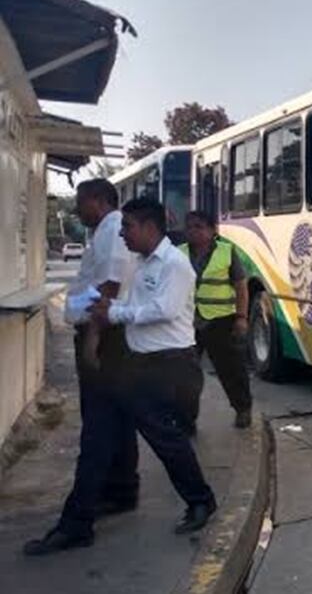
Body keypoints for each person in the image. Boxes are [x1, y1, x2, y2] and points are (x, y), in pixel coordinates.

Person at [24, 198, 217, 555]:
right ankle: (76, 524)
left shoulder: (175, 265)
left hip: (166, 366)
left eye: (128, 226)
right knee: (97, 440)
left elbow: (165, 309)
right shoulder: (142, 264)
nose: (123, 234)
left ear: (149, 227)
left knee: (166, 440)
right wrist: (105, 317)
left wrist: (114, 313)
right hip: (133, 364)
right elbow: (129, 304)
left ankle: (201, 499)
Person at [23, 180, 140, 555]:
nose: (77, 210)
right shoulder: (109, 230)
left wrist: (91, 338)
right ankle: (121, 490)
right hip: (112, 337)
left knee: (97, 429)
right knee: (119, 420)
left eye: (81, 203)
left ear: (98, 201)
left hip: (103, 337)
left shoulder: (111, 231)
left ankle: (77, 523)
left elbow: (109, 285)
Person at [179, 210, 253, 430]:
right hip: (187, 322)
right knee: (186, 375)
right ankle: (187, 419)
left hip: (221, 321)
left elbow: (241, 288)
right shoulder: (178, 253)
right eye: (190, 227)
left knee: (231, 370)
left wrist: (242, 317)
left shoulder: (227, 252)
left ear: (212, 230)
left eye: (199, 227)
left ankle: (243, 409)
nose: (193, 231)